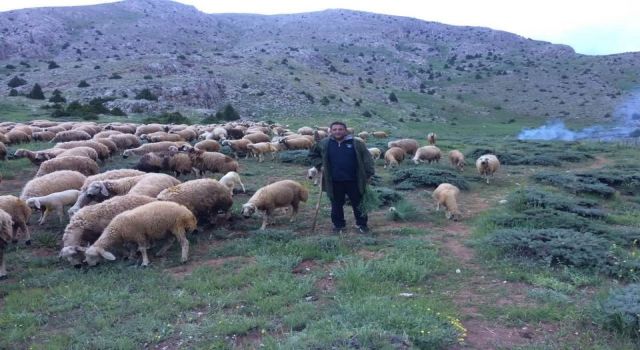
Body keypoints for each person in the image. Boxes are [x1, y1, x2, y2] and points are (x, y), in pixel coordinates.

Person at [308, 121, 375, 233]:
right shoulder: (324, 143)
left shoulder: (357, 143)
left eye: (340, 129)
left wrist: (368, 174)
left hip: (354, 180)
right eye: (335, 129)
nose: (337, 131)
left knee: (358, 203)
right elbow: (313, 155)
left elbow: (367, 159)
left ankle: (362, 224)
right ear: (331, 131)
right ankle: (339, 226)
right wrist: (320, 165)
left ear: (345, 130)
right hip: (333, 180)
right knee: (336, 204)